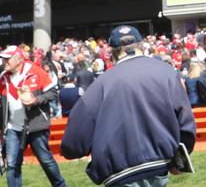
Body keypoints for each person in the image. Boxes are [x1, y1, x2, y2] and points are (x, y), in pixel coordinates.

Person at [61, 25, 196, 187]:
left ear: (113, 52)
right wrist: (180, 156)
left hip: (119, 172)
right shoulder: (167, 73)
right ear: (140, 45)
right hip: (158, 165)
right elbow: (185, 120)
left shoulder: (101, 84)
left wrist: (72, 151)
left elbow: (74, 141)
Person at [0, 46, 66, 187]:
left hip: (36, 126)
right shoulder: (2, 77)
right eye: (3, 58)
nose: (4, 61)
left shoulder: (35, 71)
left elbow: (52, 93)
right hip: (13, 128)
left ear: (18, 59)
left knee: (46, 161)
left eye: (7, 58)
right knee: (12, 165)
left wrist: (35, 100)